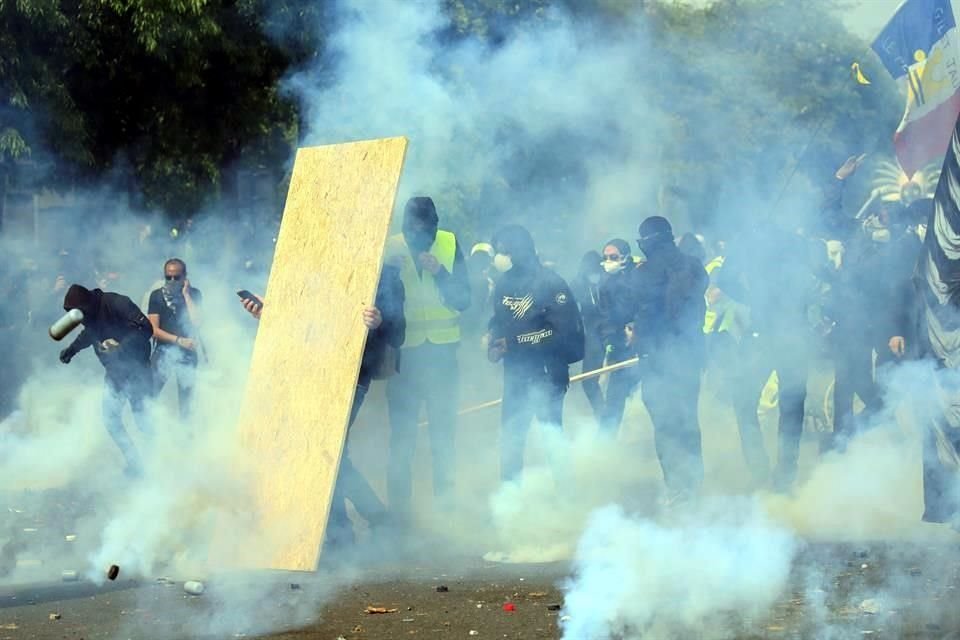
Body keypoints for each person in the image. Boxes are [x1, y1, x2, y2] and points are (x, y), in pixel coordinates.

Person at [240, 264, 406, 551]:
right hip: (311, 371)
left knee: (327, 452)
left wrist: (379, 321)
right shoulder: (316, 256)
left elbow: (399, 332)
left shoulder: (384, 269)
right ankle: (350, 528)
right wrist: (268, 313)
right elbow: (302, 321)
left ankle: (355, 526)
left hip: (354, 374)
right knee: (325, 452)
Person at [383, 196, 471, 519]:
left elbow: (465, 300)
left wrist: (441, 273)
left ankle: (446, 512)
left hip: (443, 355)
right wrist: (390, 275)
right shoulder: (389, 247)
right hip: (404, 359)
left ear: (436, 226)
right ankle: (399, 516)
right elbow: (376, 301)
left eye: (427, 232)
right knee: (402, 439)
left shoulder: (448, 243)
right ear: (404, 228)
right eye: (413, 232)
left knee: (443, 435)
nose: (420, 239)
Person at [487, 225, 584, 482]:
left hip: (547, 374)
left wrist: (515, 342)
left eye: (503, 251)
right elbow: (498, 320)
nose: (499, 257)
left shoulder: (551, 283)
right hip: (516, 374)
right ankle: (510, 500)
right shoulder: (503, 284)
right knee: (511, 438)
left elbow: (560, 332)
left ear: (518, 251)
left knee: (551, 435)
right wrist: (492, 342)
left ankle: (566, 496)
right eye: (497, 252)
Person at [629, 217, 708, 503]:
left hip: (657, 359)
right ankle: (694, 484)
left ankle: (676, 486)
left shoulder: (643, 273)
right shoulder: (694, 266)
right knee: (688, 418)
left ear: (647, 241)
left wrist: (634, 333)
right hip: (690, 356)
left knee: (664, 423)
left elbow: (634, 310)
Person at [58, 284, 154, 474]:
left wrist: (121, 347)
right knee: (110, 419)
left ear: (87, 305)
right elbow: (89, 334)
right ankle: (135, 463)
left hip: (137, 370)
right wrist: (71, 350)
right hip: (115, 373)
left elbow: (147, 329)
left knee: (142, 419)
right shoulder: (89, 316)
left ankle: (161, 459)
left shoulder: (117, 302)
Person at [146, 259, 202, 420]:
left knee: (187, 402)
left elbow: (198, 322)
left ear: (184, 277)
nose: (171, 281)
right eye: (168, 277)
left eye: (176, 277)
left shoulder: (195, 294)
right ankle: (147, 433)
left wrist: (186, 295)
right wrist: (179, 340)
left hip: (187, 354)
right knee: (150, 393)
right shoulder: (156, 296)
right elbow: (154, 330)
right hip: (163, 351)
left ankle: (185, 438)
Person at [597, 239, 642, 434]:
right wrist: (611, 342)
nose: (609, 261)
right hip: (619, 348)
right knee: (615, 397)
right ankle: (606, 442)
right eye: (605, 257)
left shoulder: (640, 276)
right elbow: (606, 317)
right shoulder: (606, 283)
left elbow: (647, 306)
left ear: (625, 256)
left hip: (645, 346)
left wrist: (637, 328)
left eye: (613, 257)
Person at [569, 250, 606, 423]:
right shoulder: (577, 285)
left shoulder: (609, 281)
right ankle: (604, 418)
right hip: (593, 338)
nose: (594, 275)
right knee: (589, 381)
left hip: (615, 335)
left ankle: (612, 419)